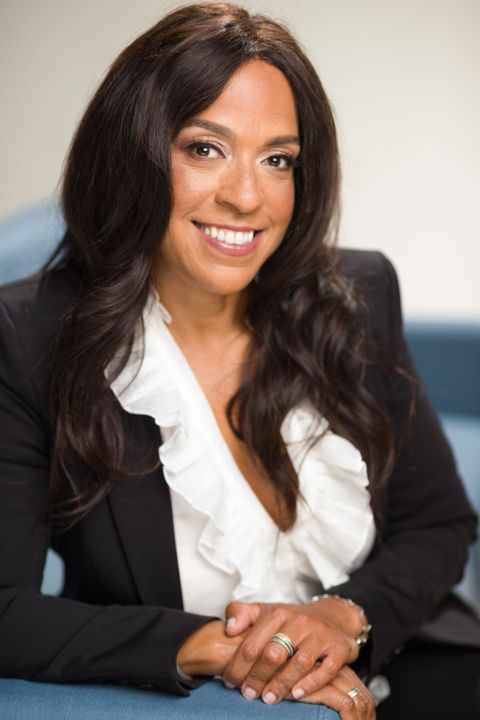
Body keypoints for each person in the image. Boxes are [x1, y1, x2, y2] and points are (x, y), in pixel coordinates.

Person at [0, 3, 479, 718]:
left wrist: (340, 619)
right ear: (131, 152)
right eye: (205, 148)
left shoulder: (358, 294)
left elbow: (439, 526)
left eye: (278, 158)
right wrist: (226, 646)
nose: (248, 196)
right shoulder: (28, 336)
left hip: (407, 662)